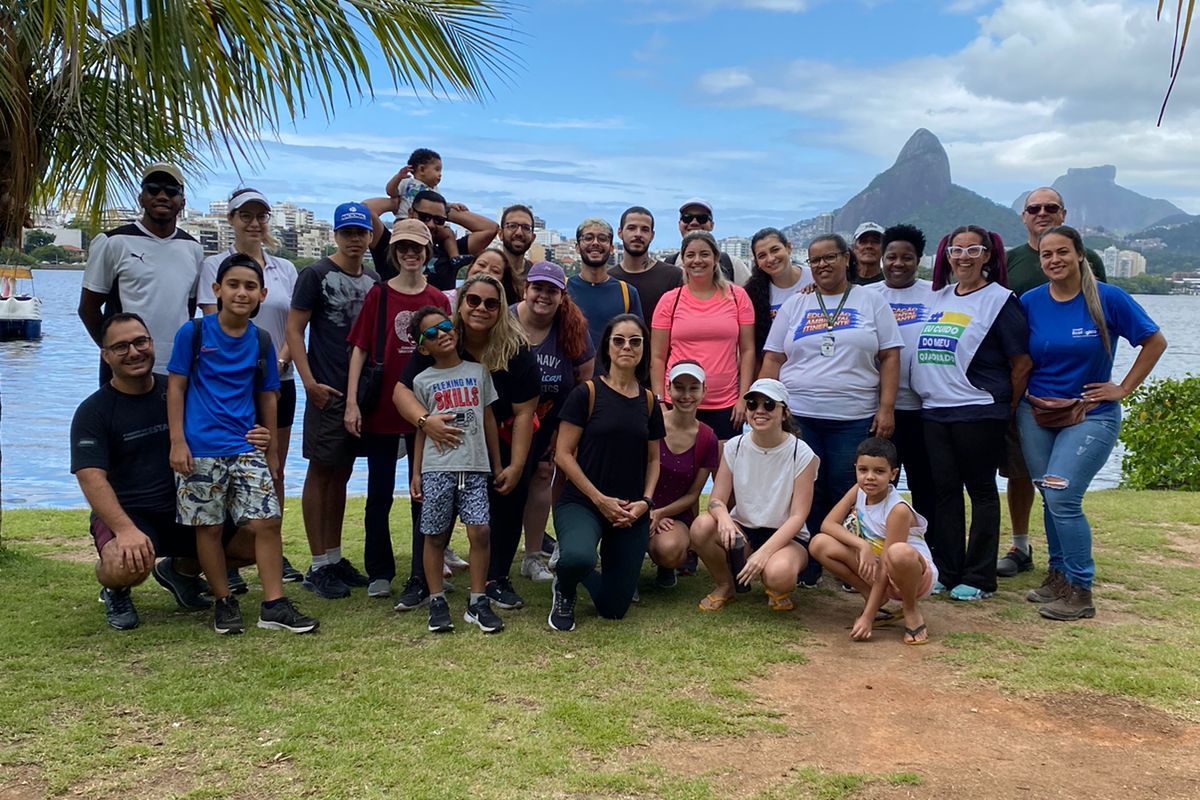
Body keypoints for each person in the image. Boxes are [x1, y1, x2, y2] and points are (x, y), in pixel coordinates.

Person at [70, 313, 271, 630]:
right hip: (133, 514)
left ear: (151, 343)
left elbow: (227, 424)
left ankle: (181, 571)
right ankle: (116, 588)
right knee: (124, 563)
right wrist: (124, 529)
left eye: (140, 341)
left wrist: (260, 434)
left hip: (189, 506)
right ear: (105, 355)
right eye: (121, 347)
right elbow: (90, 478)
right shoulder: (93, 411)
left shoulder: (179, 391)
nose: (134, 352)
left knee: (254, 544)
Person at [1018, 225, 1166, 621]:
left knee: (1063, 495)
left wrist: (1123, 388)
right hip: (1036, 412)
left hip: (1090, 413)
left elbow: (1155, 341)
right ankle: (1058, 577)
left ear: (1080, 254)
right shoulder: (1031, 301)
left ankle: (1081, 591)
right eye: (1047, 254)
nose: (1054, 260)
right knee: (1048, 494)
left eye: (1062, 252)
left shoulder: (1107, 297)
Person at [167, 254, 318, 635]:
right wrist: (178, 441)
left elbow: (268, 395)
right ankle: (223, 601)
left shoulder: (262, 340)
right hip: (200, 449)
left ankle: (273, 603)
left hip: (245, 445)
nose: (241, 292)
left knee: (267, 522)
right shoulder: (195, 333)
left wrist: (270, 447)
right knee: (210, 527)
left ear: (262, 294)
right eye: (233, 285)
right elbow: (176, 386)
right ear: (217, 290)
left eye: (250, 286)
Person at [761, 233, 902, 587]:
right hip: (799, 415)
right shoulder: (796, 304)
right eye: (815, 259)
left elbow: (890, 355)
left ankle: (848, 562)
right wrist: (762, 405)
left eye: (830, 257)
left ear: (846, 258)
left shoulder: (871, 301)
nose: (822, 264)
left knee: (846, 490)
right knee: (804, 491)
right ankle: (807, 564)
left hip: (852, 416)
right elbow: (774, 358)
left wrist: (886, 408)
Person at [393, 274, 540, 612]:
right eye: (473, 300)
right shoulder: (440, 337)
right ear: (460, 304)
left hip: (497, 434)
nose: (481, 308)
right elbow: (403, 391)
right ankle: (421, 580)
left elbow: (524, 413)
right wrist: (424, 421)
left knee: (506, 502)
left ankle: (496, 579)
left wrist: (515, 465)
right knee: (429, 513)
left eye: (491, 303)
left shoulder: (515, 348)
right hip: (440, 442)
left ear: (502, 308)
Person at [911, 225, 1030, 602]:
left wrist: (1005, 408)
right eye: (956, 250)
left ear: (988, 256)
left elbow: (1021, 362)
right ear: (946, 256)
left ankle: (980, 576)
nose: (963, 257)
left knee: (980, 491)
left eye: (973, 250)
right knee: (944, 492)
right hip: (935, 409)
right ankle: (947, 569)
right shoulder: (939, 296)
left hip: (978, 410)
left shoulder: (1000, 299)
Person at [998, 187, 1108, 579]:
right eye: (1034, 208)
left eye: (1050, 207)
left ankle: (1068, 571)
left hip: (1079, 397)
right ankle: (1022, 546)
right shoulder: (1009, 261)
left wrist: (1112, 384)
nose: (1042, 213)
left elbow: (1100, 320)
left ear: (1063, 213)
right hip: (1024, 389)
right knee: (1020, 471)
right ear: (1023, 216)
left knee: (1061, 485)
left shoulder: (1090, 260)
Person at [198, 188, 303, 590]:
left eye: (261, 215)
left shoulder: (284, 269)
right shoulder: (213, 265)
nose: (254, 222)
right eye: (246, 215)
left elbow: (294, 325)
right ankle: (227, 558)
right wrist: (255, 367)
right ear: (231, 219)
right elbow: (216, 323)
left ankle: (267, 550)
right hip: (232, 388)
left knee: (273, 469)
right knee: (226, 471)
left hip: (281, 378)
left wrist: (278, 361)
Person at [344, 219, 450, 598]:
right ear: (394, 252)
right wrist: (352, 401)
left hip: (426, 413)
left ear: (426, 252)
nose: (410, 254)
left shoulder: (437, 299)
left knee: (425, 494)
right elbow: (359, 348)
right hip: (382, 408)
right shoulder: (379, 295)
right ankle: (380, 570)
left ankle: (423, 572)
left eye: (417, 248)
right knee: (379, 494)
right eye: (403, 247)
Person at [548, 314, 664, 632]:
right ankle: (566, 585)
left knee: (614, 609)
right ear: (607, 348)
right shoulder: (586, 394)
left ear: (643, 349)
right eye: (619, 340)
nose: (627, 347)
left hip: (630, 509)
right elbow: (563, 454)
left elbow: (654, 461)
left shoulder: (650, 401)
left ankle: (575, 572)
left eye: (635, 341)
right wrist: (599, 499)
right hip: (583, 503)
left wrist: (645, 502)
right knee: (579, 558)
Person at [285, 203, 378, 598]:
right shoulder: (315, 274)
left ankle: (335, 556)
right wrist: (309, 383)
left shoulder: (374, 280)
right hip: (327, 390)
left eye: (361, 232)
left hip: (362, 392)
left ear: (370, 236)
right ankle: (317, 563)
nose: (354, 240)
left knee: (341, 474)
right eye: (347, 233)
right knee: (320, 472)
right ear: (335, 235)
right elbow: (293, 330)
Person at [407, 307, 506, 633]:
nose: (442, 334)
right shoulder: (422, 380)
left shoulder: (478, 372)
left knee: (480, 531)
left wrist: (497, 462)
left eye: (446, 326)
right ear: (423, 347)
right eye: (432, 334)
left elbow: (488, 419)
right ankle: (436, 600)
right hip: (438, 468)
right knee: (434, 535)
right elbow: (420, 429)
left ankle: (478, 601)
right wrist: (417, 471)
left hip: (475, 467)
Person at [690, 378, 818, 612]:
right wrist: (725, 518)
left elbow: (798, 516)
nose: (759, 410)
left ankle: (775, 586)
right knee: (701, 526)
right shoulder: (734, 446)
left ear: (784, 412)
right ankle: (725, 585)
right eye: (752, 404)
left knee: (779, 576)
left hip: (787, 535)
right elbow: (716, 499)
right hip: (745, 528)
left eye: (769, 405)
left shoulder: (802, 453)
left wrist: (764, 553)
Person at [78, 162, 204, 383]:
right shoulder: (113, 242)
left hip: (178, 369)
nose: (162, 196)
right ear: (141, 198)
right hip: (125, 372)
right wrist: (115, 352)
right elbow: (88, 308)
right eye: (154, 189)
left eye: (172, 191)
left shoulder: (193, 248)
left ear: (182, 201)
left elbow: (189, 309)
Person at [513, 261, 595, 583]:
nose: (543, 296)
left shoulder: (571, 327)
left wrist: (565, 427)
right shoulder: (505, 320)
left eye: (552, 290)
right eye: (538, 288)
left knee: (542, 478)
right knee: (506, 485)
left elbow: (584, 377)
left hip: (551, 419)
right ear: (525, 289)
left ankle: (532, 556)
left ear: (562, 296)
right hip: (508, 421)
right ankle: (495, 554)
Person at [811, 437, 938, 645]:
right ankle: (873, 595)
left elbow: (887, 566)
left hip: (911, 575)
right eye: (863, 470)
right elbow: (828, 524)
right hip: (878, 565)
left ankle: (910, 609)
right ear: (856, 469)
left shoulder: (897, 509)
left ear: (893, 474)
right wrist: (861, 545)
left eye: (879, 472)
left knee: (898, 552)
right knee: (819, 543)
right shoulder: (859, 490)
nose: (869, 477)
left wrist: (867, 617)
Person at [650, 230, 755, 442]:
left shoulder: (737, 296)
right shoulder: (670, 300)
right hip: (678, 402)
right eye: (690, 255)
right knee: (678, 471)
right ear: (683, 260)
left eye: (704, 254)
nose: (697, 260)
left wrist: (743, 398)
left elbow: (748, 350)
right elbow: (657, 357)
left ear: (716, 258)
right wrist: (659, 402)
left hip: (725, 404)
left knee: (723, 471)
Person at [872, 224, 938, 534]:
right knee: (879, 483)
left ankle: (929, 547)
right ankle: (877, 545)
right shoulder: (868, 295)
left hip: (925, 408)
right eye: (892, 257)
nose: (898, 264)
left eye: (907, 258)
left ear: (919, 259)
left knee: (927, 483)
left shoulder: (937, 293)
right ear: (882, 258)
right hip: (879, 407)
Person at [648, 362, 719, 589]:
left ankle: (666, 566)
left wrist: (659, 514)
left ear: (704, 391)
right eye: (679, 387)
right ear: (668, 389)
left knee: (670, 551)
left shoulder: (708, 438)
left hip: (675, 515)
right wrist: (646, 510)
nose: (686, 395)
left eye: (693, 388)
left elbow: (693, 495)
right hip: (639, 506)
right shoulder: (651, 422)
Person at [365, 188, 498, 287]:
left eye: (438, 220)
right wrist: (398, 204)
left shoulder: (450, 251)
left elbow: (489, 228)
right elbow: (366, 209)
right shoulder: (391, 245)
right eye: (424, 217)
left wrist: (445, 210)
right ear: (411, 213)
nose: (430, 224)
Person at [566, 218, 643, 350]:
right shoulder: (563, 290)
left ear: (612, 248)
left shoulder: (627, 293)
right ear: (577, 247)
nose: (595, 243)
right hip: (571, 369)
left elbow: (638, 340)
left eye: (602, 238)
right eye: (588, 238)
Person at [743, 227, 813, 362]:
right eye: (762, 256)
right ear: (756, 262)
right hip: (773, 368)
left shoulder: (814, 278)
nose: (770, 259)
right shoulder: (752, 294)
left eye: (775, 250)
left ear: (788, 248)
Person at [609, 206, 682, 320]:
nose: (638, 234)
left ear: (652, 235)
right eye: (631, 228)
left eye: (644, 229)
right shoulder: (609, 279)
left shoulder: (673, 277)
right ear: (620, 232)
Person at [663, 199, 750, 285]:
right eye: (687, 218)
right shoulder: (668, 264)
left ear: (712, 225)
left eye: (702, 218)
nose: (694, 223)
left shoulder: (733, 264)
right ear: (679, 224)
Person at [445, 247, 517, 310]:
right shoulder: (444, 299)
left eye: (495, 271)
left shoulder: (510, 311)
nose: (485, 271)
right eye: (481, 265)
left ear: (503, 280)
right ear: (471, 267)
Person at [498, 204, 537, 297]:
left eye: (526, 228)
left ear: (533, 238)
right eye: (512, 226)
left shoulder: (536, 275)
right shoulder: (489, 269)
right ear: (500, 233)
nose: (519, 232)